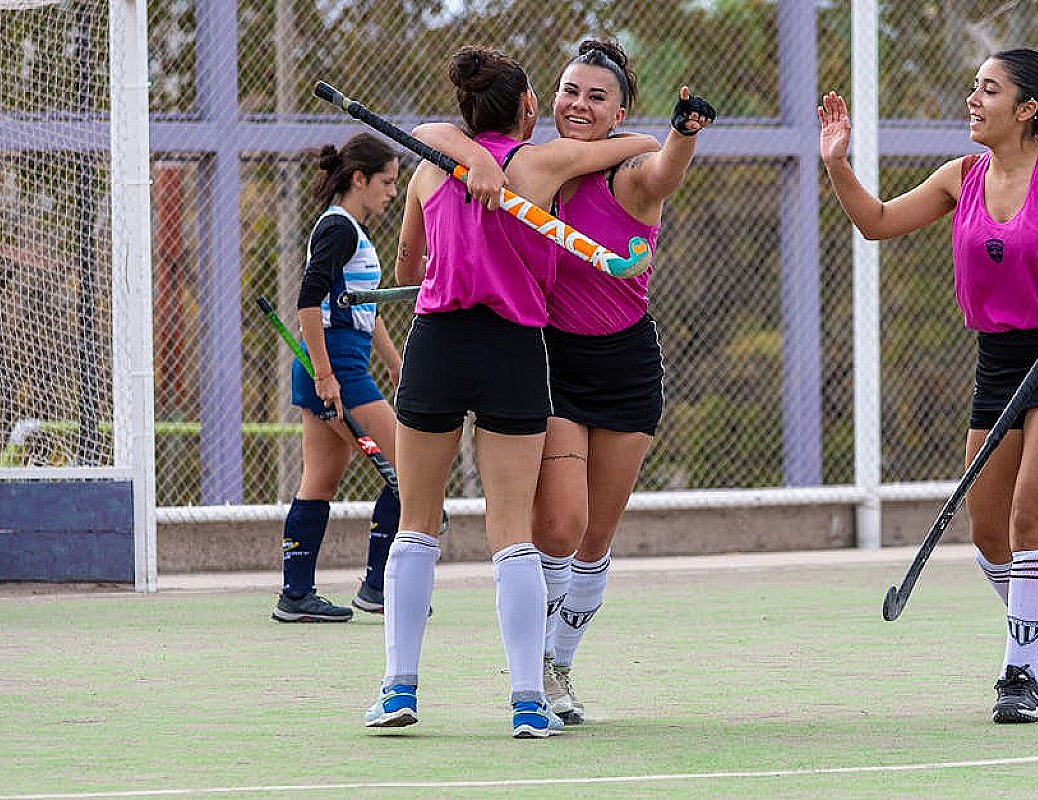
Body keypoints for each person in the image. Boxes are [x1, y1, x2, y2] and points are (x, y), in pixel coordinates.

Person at [818, 48, 1038, 723]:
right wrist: (837, 163)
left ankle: (1018, 676)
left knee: (1031, 515)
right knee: (986, 531)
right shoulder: (960, 176)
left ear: (1027, 109)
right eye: (974, 87)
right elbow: (877, 222)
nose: (974, 100)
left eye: (989, 90)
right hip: (999, 361)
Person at [362, 44, 660, 738]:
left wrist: (460, 193)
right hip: (515, 353)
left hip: (437, 346)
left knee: (416, 525)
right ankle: (528, 701)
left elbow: (407, 269)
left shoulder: (428, 169)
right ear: (530, 106)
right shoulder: (542, 165)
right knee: (512, 536)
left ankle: (399, 689)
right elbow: (641, 143)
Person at [417, 38, 716, 725]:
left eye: (596, 96)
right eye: (569, 91)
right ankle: (534, 671)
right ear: (544, 100)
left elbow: (664, 172)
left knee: (594, 541)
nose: (578, 105)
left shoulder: (628, 174)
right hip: (549, 360)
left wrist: (681, 134)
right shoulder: (530, 164)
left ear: (619, 112)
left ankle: (560, 661)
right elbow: (434, 134)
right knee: (558, 524)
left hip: (624, 366)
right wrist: (478, 160)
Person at [271, 132, 405, 624]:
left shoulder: (351, 230)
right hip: (336, 370)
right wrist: (327, 375)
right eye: (387, 182)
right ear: (359, 179)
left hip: (343, 365)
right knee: (410, 469)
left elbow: (364, 308)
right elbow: (308, 302)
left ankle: (295, 595)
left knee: (320, 481)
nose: (393, 193)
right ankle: (377, 586)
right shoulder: (339, 229)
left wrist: (393, 362)